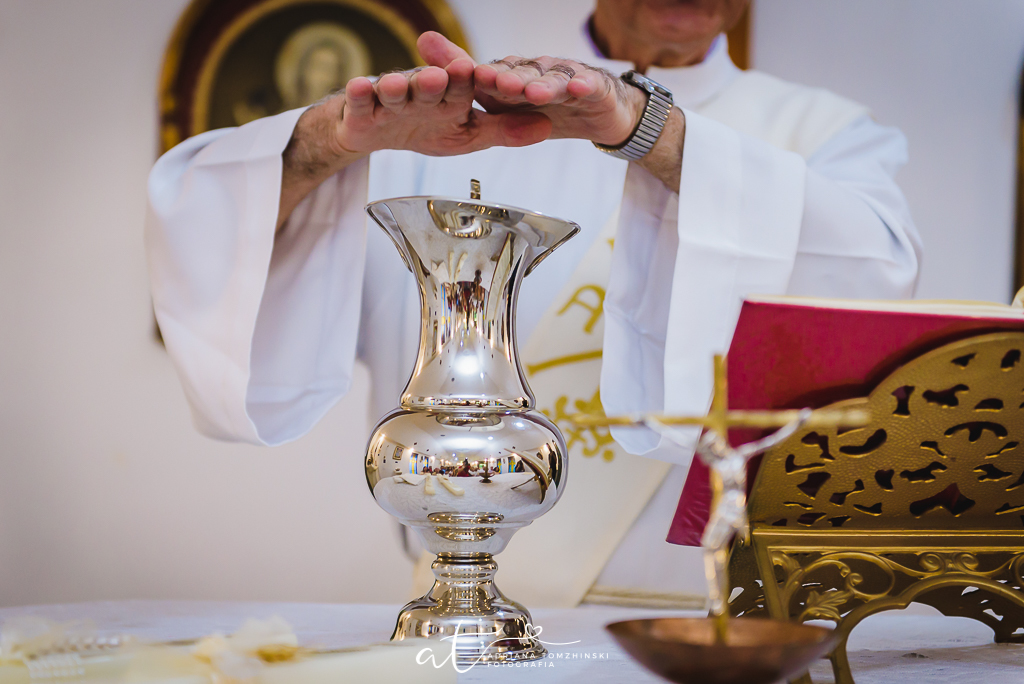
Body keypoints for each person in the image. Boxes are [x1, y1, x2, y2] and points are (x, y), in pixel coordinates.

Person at [146, 0, 921, 608]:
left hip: (727, 615)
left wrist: (656, 138)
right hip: (465, 609)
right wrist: (329, 144)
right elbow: (220, 240)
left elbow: (874, 277)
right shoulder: (461, 117)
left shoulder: (824, 133)